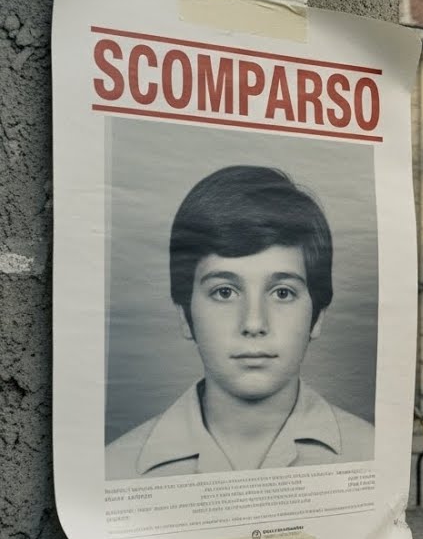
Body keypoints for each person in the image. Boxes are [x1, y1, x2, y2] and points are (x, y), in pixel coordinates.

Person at [105, 165, 375, 479]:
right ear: (184, 314)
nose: (254, 323)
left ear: (318, 317)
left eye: (283, 292)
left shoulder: (369, 454)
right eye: (224, 292)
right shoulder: (115, 469)